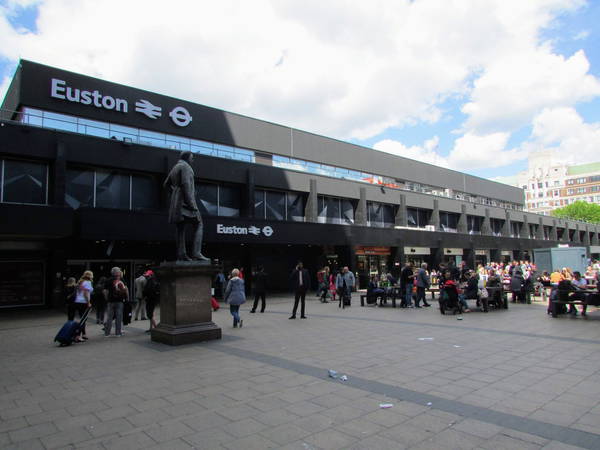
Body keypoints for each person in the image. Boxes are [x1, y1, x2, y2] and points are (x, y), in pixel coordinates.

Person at [164, 151, 209, 262]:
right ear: (187, 158)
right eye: (192, 158)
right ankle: (196, 253)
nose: (192, 160)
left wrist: (175, 193)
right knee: (199, 224)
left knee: (180, 228)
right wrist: (191, 203)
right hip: (186, 204)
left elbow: (165, 185)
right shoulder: (186, 167)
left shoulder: (175, 167)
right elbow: (186, 184)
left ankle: (181, 254)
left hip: (177, 203)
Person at [105, 267, 127, 337]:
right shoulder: (121, 279)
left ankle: (107, 333)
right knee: (119, 317)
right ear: (117, 272)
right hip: (119, 301)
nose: (120, 272)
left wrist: (107, 299)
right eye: (119, 271)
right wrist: (126, 298)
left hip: (110, 301)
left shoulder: (108, 280)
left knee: (109, 317)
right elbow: (125, 289)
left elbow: (105, 291)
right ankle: (118, 333)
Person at [71, 270, 93, 342]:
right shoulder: (88, 282)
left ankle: (84, 334)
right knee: (83, 320)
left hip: (77, 302)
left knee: (82, 318)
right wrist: (88, 302)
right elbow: (86, 293)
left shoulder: (80, 282)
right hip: (83, 302)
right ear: (90, 276)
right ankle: (77, 336)